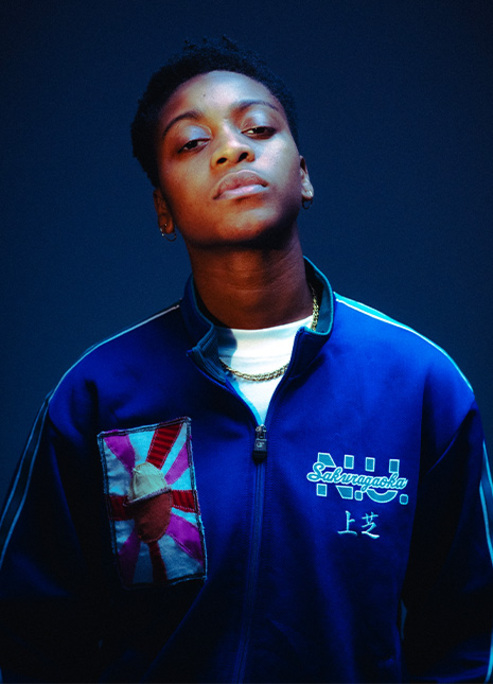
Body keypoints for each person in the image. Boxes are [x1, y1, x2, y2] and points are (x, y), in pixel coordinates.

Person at [0, 37, 491, 683]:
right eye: (191, 143)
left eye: (257, 128)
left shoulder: (419, 383)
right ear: (162, 208)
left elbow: (466, 635)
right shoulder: (97, 393)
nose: (232, 149)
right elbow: (25, 639)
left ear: (303, 174)